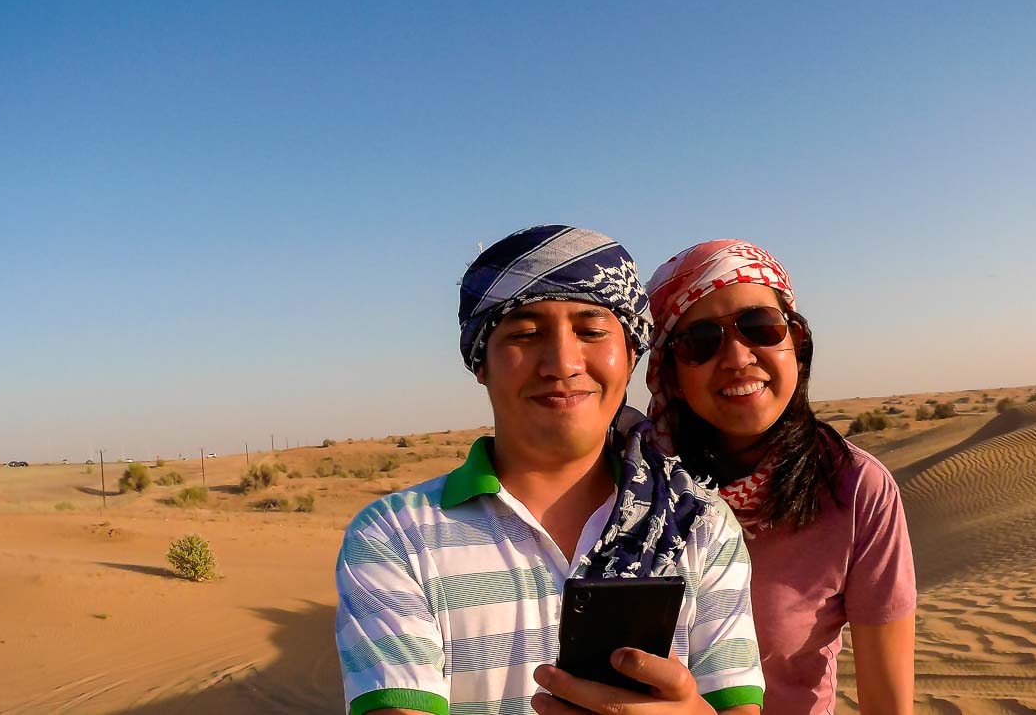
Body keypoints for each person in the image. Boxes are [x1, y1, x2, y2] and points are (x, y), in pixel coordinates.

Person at [335, 225, 765, 715]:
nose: (562, 362)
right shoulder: (396, 535)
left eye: (592, 331)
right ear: (480, 362)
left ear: (630, 355)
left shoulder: (697, 524)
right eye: (524, 332)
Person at [644, 240, 916, 715]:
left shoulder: (854, 489)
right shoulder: (634, 487)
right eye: (700, 341)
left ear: (797, 343)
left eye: (760, 328)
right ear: (671, 372)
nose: (736, 357)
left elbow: (887, 705)